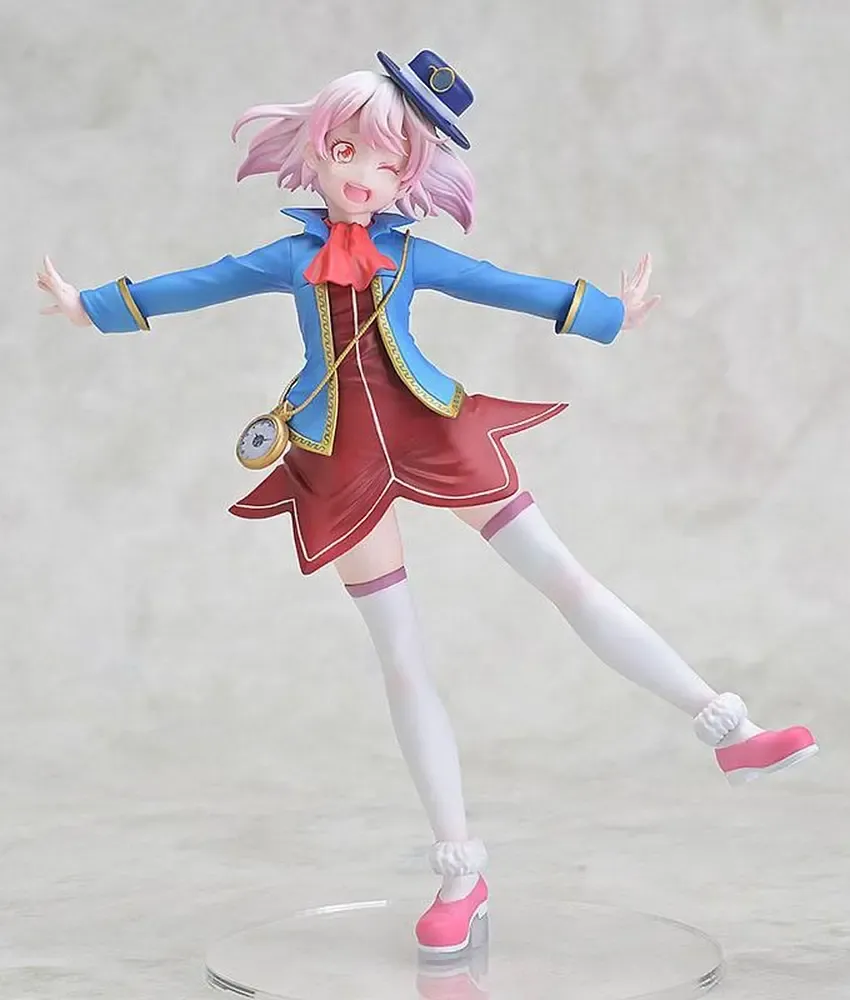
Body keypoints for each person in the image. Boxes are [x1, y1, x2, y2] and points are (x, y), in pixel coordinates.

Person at [37, 49, 818, 956]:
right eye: (347, 151)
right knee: (403, 659)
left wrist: (608, 314)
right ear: (316, 150)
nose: (364, 175)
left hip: (436, 430)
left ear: (410, 174)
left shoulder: (410, 256)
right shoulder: (290, 257)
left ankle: (727, 727)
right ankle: (460, 873)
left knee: (566, 579)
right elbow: (197, 283)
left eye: (388, 161)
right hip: (340, 457)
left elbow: (505, 286)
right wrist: (92, 306)